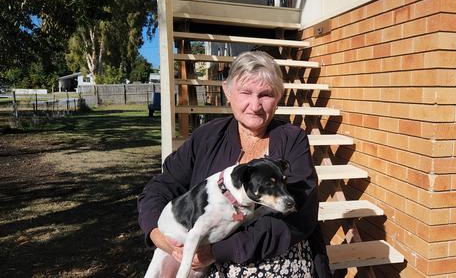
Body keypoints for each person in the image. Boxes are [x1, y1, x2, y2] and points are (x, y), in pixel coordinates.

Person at [138, 51, 331, 278]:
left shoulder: (292, 139)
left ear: (278, 98)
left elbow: (299, 215)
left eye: (266, 94)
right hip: (202, 259)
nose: (255, 105)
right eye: (246, 92)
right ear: (228, 92)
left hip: (275, 258)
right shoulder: (208, 137)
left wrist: (216, 251)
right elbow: (162, 186)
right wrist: (156, 234)